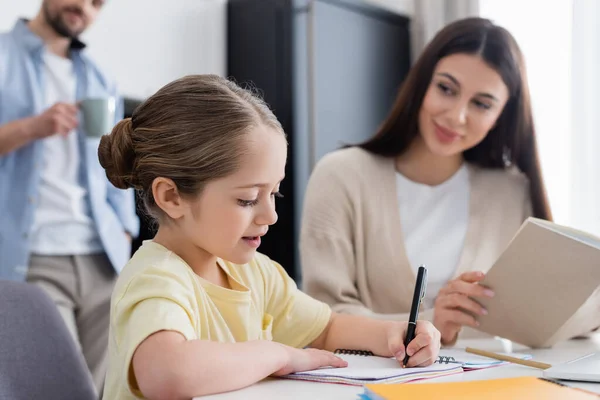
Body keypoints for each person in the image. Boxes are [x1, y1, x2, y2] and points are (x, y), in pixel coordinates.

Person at [98, 74, 441, 399]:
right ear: (172, 197)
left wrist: (392, 335)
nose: (270, 215)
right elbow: (167, 374)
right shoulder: (155, 279)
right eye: (247, 199)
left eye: (274, 194)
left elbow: (327, 329)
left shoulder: (255, 272)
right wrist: (275, 354)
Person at [300, 17, 552, 347]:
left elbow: (545, 312)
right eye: (446, 89)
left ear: (501, 116)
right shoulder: (340, 176)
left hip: (484, 383)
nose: (456, 116)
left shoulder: (510, 192)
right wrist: (431, 322)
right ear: (422, 84)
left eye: (481, 104)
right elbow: (323, 316)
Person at [0, 0, 139, 392]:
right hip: (32, 257)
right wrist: (31, 127)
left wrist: (125, 230)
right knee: (55, 386)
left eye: (98, 3)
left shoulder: (100, 78)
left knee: (104, 386)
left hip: (103, 256)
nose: (84, 7)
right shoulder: (3, 57)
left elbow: (115, 164)